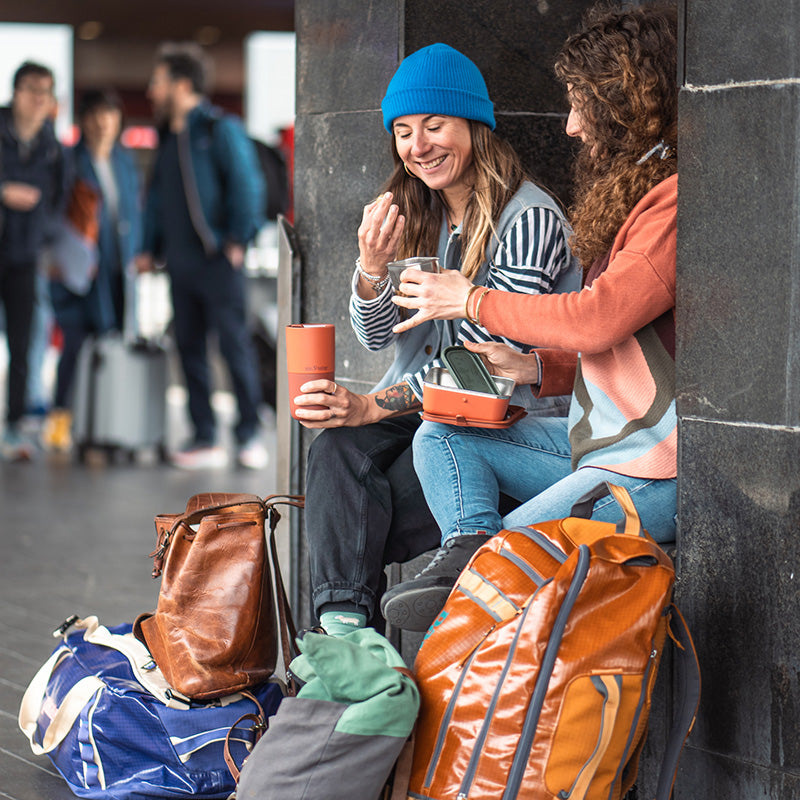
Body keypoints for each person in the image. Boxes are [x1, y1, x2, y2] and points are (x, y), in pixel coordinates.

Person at [382, 3, 679, 631]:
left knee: (507, 553)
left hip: (656, 468)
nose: (569, 126)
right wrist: (537, 368)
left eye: (579, 103)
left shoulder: (668, 205)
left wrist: (470, 299)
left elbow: (598, 319)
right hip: (595, 443)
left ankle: (466, 593)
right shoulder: (635, 198)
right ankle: (462, 553)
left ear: (622, 102)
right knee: (439, 434)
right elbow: (620, 355)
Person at [293, 43, 578, 636]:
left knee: (364, 515)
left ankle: (347, 643)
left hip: (503, 421)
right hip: (427, 409)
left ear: (474, 125)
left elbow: (484, 367)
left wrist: (371, 405)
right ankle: (349, 635)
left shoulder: (527, 220)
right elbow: (376, 337)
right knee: (334, 450)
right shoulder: (416, 212)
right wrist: (371, 267)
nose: (417, 147)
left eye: (434, 125)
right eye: (402, 131)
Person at [136, 42, 267, 470]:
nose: (152, 90)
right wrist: (147, 248)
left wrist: (236, 239)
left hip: (216, 260)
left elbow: (247, 185)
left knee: (234, 347)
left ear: (181, 83)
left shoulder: (216, 128)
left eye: (158, 81)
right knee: (188, 349)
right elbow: (157, 201)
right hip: (179, 262)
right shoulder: (168, 138)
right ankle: (204, 437)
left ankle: (248, 436)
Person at [42, 89, 142, 452]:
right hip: (78, 272)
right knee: (75, 342)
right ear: (84, 121)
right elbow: (55, 215)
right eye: (96, 115)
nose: (104, 123)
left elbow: (134, 214)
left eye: (111, 115)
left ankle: (103, 422)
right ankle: (60, 418)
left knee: (112, 342)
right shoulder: (69, 161)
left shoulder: (124, 163)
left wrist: (139, 253)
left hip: (117, 271)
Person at [0, 61, 66, 461]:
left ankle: (15, 425)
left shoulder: (51, 144)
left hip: (25, 256)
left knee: (24, 343)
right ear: (15, 92)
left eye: (47, 89)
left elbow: (58, 198)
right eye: (31, 88)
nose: (39, 97)